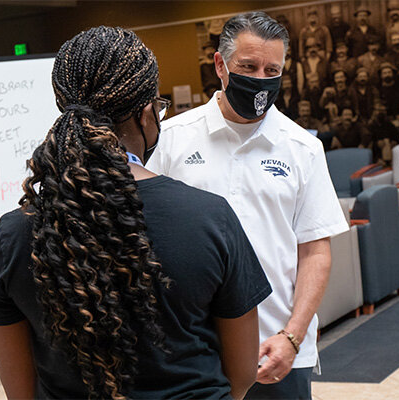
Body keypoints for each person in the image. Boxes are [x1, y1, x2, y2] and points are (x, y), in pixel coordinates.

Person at [0, 26, 272, 400]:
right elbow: (242, 375)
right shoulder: (210, 218)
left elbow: (20, 392)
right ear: (146, 112)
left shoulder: (13, 236)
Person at [147, 12, 349, 400]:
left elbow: (315, 250)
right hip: (189, 352)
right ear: (220, 66)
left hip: (277, 352)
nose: (260, 79)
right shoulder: (170, 139)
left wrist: (293, 335)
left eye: (272, 69)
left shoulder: (302, 148)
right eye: (248, 66)